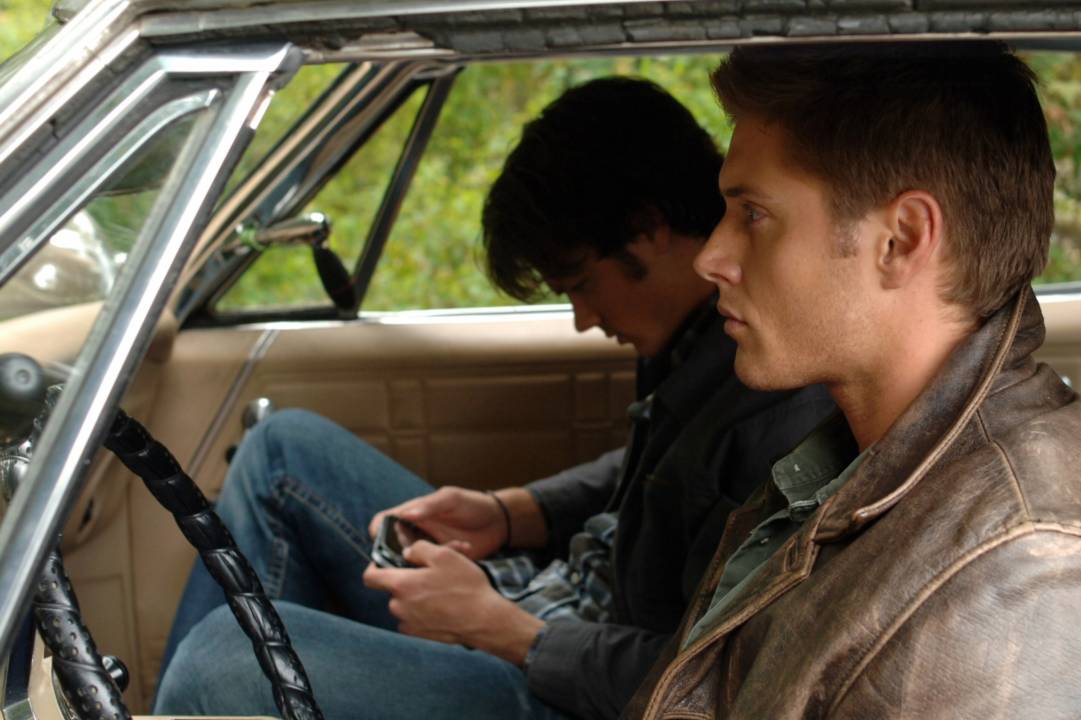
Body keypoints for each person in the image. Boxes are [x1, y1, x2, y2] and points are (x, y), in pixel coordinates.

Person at [153, 77, 834, 720]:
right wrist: (514, 513)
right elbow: (653, 473)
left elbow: (717, 684)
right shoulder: (698, 343)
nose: (583, 320)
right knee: (281, 452)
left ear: (649, 227)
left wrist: (506, 631)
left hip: (578, 690)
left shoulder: (780, 400)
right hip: (565, 605)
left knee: (222, 660)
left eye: (752, 214)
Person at [624, 44, 1081, 719]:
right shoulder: (852, 464)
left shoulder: (1035, 572)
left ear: (902, 240)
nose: (712, 257)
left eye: (754, 215)